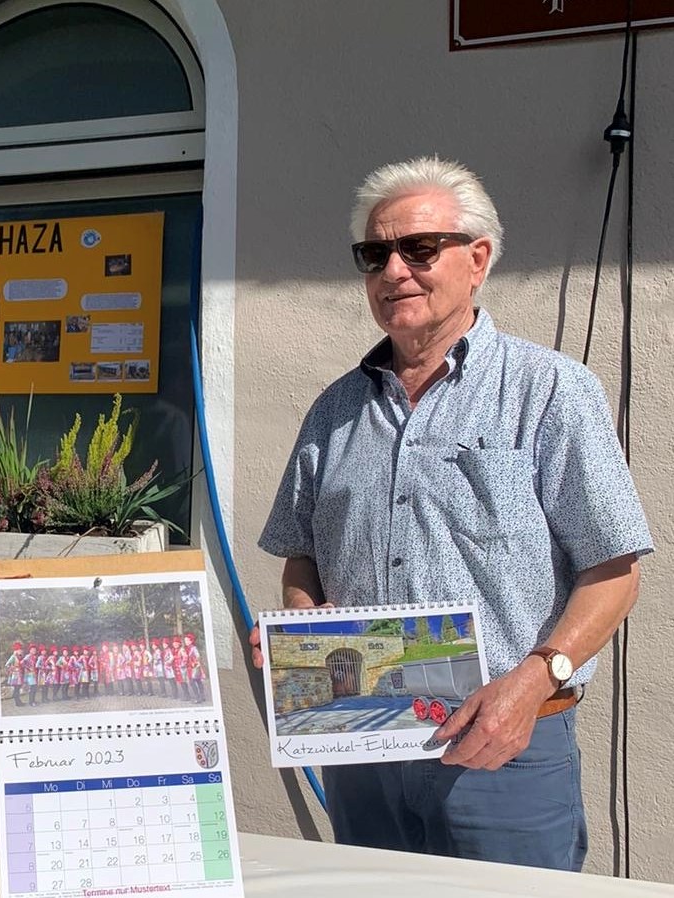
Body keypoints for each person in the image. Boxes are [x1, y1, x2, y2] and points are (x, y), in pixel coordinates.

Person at [249, 156, 651, 871]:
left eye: (418, 249)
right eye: (374, 255)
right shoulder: (334, 410)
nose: (393, 271)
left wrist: (530, 685)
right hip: (362, 748)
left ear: (477, 258)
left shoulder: (549, 390)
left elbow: (614, 571)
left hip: (502, 749)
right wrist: (303, 626)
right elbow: (302, 553)